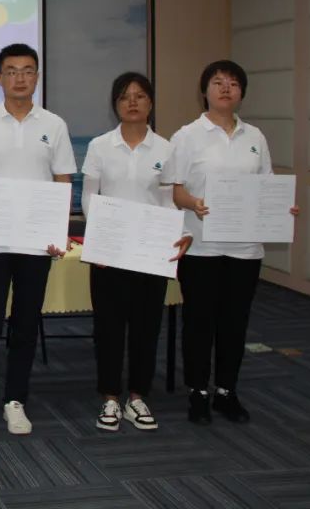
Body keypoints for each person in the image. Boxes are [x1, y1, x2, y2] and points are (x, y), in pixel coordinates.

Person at [166, 59, 299, 425]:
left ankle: (227, 391)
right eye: (218, 82)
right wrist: (194, 202)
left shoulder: (255, 137)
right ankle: (197, 392)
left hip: (245, 249)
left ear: (242, 93)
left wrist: (282, 209)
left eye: (233, 83)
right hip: (201, 246)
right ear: (204, 90)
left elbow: (266, 187)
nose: (226, 88)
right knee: (199, 322)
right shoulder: (186, 136)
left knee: (235, 323)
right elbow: (175, 191)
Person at [0, 43, 75, 435]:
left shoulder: (54, 125)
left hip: (35, 244)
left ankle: (15, 401)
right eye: (11, 71)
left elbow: (62, 180)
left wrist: (57, 229)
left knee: (25, 325)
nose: (19, 78)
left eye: (27, 71)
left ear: (37, 77)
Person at [81, 72, 191, 432]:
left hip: (150, 252)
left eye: (140, 96)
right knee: (108, 327)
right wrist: (99, 238)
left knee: (146, 327)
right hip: (109, 252)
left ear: (150, 103)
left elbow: (169, 201)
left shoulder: (166, 149)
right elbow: (89, 197)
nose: (132, 102)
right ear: (115, 104)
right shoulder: (100, 146)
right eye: (125, 96)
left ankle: (138, 397)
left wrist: (180, 232)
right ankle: (110, 398)